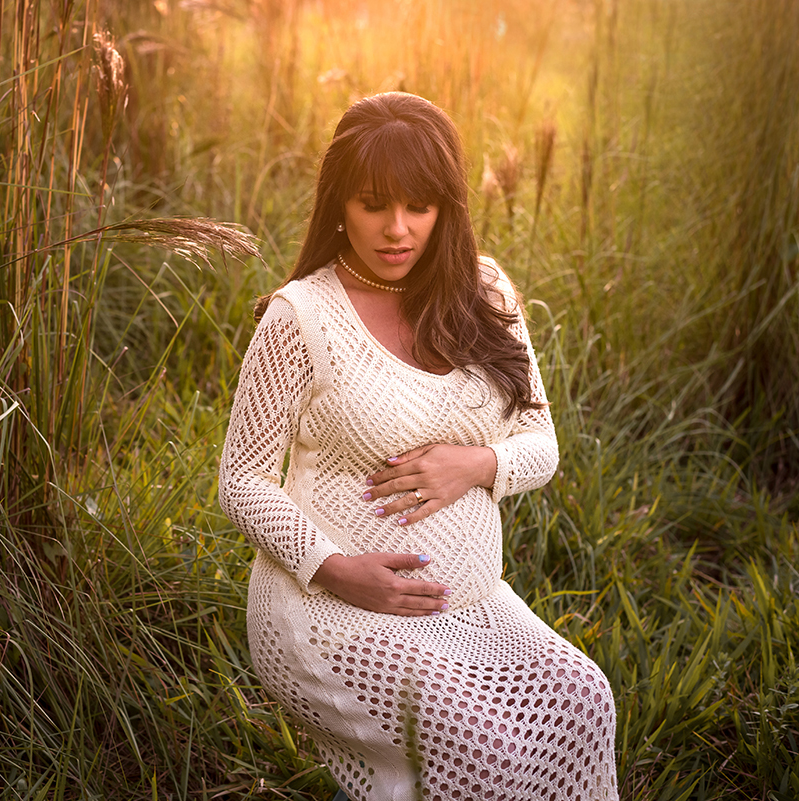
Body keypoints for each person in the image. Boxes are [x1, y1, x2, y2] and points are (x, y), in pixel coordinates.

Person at [218, 92, 619, 801]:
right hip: (329, 610)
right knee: (489, 752)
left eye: (419, 206)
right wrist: (337, 569)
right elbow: (242, 481)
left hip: (472, 606)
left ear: (446, 209)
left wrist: (478, 464)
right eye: (374, 204)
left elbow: (541, 443)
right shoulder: (301, 318)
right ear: (340, 202)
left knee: (584, 700)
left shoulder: (485, 293)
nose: (397, 229)